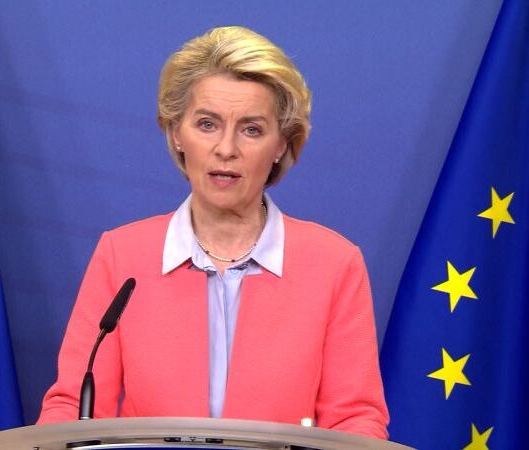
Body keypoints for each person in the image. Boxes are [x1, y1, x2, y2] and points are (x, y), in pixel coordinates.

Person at [38, 25, 389, 439]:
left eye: (251, 129)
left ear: (281, 144)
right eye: (207, 124)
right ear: (176, 133)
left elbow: (354, 421)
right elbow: (75, 407)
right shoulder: (122, 254)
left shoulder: (333, 264)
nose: (226, 149)